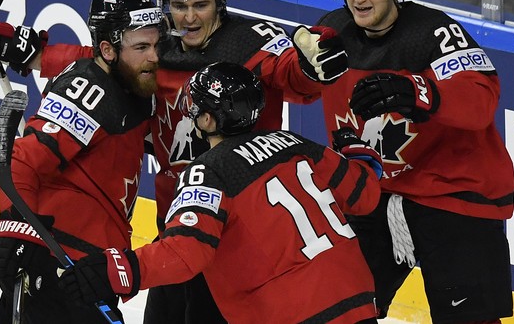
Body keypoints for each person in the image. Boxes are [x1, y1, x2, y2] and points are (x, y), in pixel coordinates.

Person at [0, 0, 347, 324]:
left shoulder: (251, 43)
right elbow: (104, 61)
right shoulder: (157, 49)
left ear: (221, 0)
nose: (189, 16)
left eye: (201, 4)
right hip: (179, 235)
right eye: (179, 4)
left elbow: (293, 77)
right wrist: (28, 52)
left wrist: (313, 66)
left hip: (240, 243)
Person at [289, 0, 514, 324]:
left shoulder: (433, 33)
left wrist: (418, 90)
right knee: (337, 308)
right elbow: (299, 88)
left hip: (452, 190)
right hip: (372, 192)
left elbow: (481, 99)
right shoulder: (332, 30)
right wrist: (302, 71)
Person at [57, 61, 383, 324]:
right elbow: (364, 195)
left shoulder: (208, 170)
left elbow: (187, 252)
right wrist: (361, 155)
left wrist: (116, 270)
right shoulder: (297, 143)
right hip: (357, 298)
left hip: (290, 312)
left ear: (208, 119)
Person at [0, 0, 165, 323]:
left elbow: (78, 55)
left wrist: (24, 49)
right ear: (109, 50)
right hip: (58, 269)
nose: (154, 56)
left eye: (157, 44)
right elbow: (22, 161)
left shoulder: (128, 78)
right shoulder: (91, 91)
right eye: (142, 47)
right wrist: (14, 232)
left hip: (89, 270)